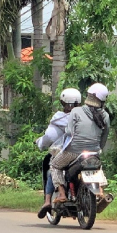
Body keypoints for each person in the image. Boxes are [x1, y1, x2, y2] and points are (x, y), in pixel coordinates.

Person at [50, 83, 110, 203]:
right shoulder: (105, 115)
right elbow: (104, 136)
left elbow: (68, 132)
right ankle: (101, 191)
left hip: (73, 152)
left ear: (89, 96)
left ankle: (62, 194)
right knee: (97, 167)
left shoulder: (76, 111)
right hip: (94, 151)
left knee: (54, 165)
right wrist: (97, 150)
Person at [36, 88, 81, 219]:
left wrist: (39, 143)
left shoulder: (59, 118)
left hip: (69, 152)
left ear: (63, 102)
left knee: (53, 166)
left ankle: (48, 201)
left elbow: (49, 137)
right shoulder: (85, 115)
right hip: (89, 150)